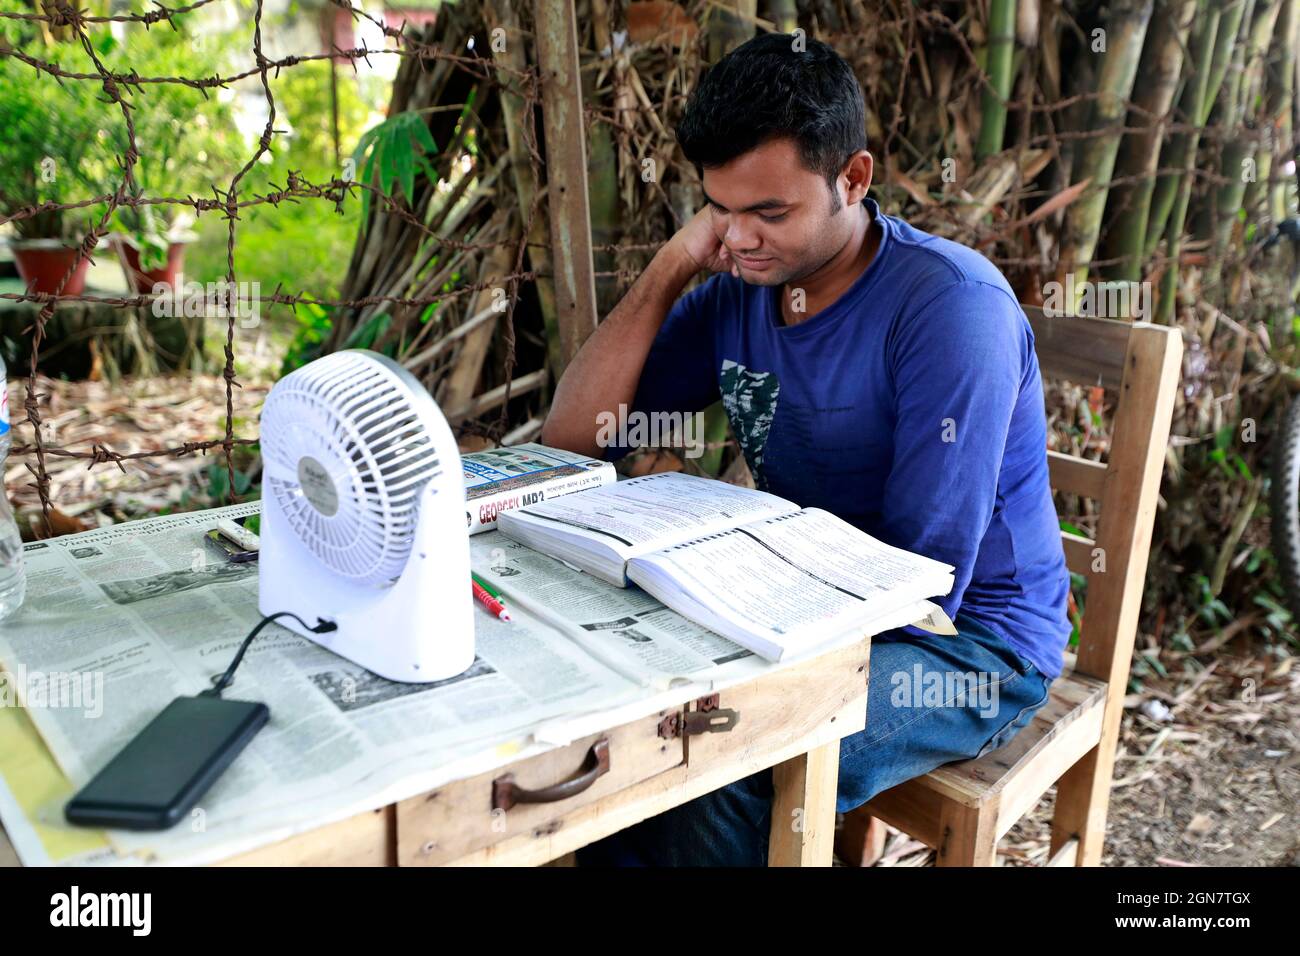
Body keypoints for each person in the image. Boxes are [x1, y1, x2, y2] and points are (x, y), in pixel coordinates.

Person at [540, 32, 1070, 866]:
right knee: (627, 720)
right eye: (721, 208)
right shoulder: (738, 289)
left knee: (721, 760)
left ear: (852, 179)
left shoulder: (949, 311)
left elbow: (923, 577)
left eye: (771, 212)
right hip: (808, 604)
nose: (741, 238)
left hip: (966, 644)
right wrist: (677, 263)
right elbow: (573, 443)